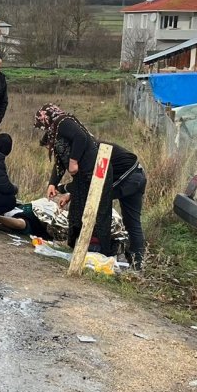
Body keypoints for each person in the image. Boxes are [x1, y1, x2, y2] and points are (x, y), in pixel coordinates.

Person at [35, 103, 147, 269]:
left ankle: (104, 253)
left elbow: (94, 184)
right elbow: (88, 182)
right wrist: (61, 188)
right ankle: (137, 266)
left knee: (96, 205)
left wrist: (64, 189)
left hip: (127, 177)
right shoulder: (87, 149)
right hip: (136, 175)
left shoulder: (87, 149)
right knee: (132, 223)